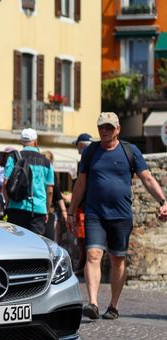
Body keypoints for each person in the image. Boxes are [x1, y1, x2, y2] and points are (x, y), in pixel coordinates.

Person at [68, 112, 167, 320]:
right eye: (102, 127)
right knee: (94, 254)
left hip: (121, 215)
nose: (105, 131)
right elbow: (81, 183)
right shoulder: (91, 152)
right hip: (95, 213)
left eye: (109, 128)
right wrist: (71, 211)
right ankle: (93, 303)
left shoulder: (130, 151)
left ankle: (113, 305)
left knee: (118, 259)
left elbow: (147, 178)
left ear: (118, 129)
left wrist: (163, 201)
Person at [3, 128, 54, 236]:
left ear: (22, 142)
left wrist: (8, 203)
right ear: (36, 141)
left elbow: (5, 183)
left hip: (16, 207)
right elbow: (49, 190)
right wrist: (47, 210)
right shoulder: (46, 162)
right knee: (36, 245)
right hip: (38, 209)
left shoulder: (13, 157)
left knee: (16, 242)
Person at [72, 133, 92, 274]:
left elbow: (81, 185)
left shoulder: (85, 161)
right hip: (91, 204)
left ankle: (82, 264)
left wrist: (72, 207)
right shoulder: (97, 156)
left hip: (84, 206)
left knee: (82, 238)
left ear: (81, 145)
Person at [42, 151, 68, 242]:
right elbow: (55, 193)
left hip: (35, 209)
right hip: (49, 210)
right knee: (50, 240)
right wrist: (64, 211)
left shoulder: (35, 171)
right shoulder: (51, 173)